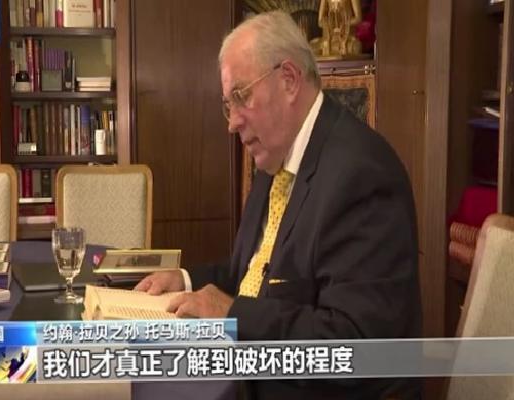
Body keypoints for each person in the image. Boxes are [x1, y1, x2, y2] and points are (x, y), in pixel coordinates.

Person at [136, 10, 421, 399]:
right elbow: (253, 275)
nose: (232, 123)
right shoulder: (277, 158)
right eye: (228, 104)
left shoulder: (362, 174)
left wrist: (232, 314)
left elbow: (353, 345)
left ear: (288, 79)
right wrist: (185, 281)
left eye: (241, 96)